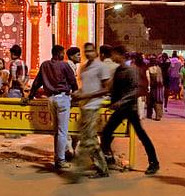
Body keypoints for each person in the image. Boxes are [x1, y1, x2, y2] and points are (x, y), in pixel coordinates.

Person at [100, 46, 160, 175]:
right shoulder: (119, 70)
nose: (113, 57)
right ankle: (107, 157)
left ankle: (154, 163)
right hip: (121, 108)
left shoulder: (131, 70)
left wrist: (120, 102)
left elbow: (135, 90)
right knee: (106, 134)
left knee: (141, 136)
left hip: (129, 108)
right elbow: (112, 89)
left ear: (120, 55)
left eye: (115, 54)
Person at [26, 44, 78, 170]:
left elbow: (37, 82)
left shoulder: (44, 65)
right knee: (62, 132)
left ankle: (57, 157)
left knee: (56, 131)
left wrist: (29, 96)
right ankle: (60, 160)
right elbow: (73, 83)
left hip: (51, 99)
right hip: (63, 98)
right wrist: (76, 94)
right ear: (60, 53)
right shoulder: (65, 65)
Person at [70, 42, 113, 181]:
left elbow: (106, 89)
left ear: (95, 52)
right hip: (84, 106)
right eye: (86, 51)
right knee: (90, 139)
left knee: (88, 140)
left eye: (90, 51)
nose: (88, 53)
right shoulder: (84, 67)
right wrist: (78, 93)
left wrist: (86, 96)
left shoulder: (101, 67)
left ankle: (80, 168)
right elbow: (85, 87)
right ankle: (102, 169)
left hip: (93, 106)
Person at [147, 56, 164, 120]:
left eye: (153, 60)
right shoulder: (149, 69)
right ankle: (150, 114)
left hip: (157, 88)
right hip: (152, 87)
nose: (152, 61)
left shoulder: (158, 69)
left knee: (156, 101)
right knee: (150, 101)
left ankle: (158, 115)